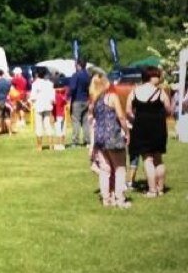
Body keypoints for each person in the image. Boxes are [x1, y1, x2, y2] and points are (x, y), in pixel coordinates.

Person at [127, 67, 172, 197]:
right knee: (158, 158)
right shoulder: (161, 92)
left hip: (141, 127)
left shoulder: (134, 91)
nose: (159, 78)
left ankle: (152, 190)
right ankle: (160, 188)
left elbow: (128, 110)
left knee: (147, 159)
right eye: (157, 76)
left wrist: (137, 118)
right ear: (150, 77)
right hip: (158, 127)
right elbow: (169, 110)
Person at [89, 75, 131, 208]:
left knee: (105, 169)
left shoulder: (94, 102)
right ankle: (120, 199)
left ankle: (106, 199)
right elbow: (121, 116)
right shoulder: (112, 97)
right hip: (113, 136)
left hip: (100, 138)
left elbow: (93, 121)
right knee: (120, 168)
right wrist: (127, 131)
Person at [66, 61, 91, 147]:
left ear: (79, 65)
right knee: (86, 121)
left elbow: (72, 88)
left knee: (76, 120)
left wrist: (67, 96)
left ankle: (75, 141)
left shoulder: (76, 75)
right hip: (86, 100)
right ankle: (87, 141)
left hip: (77, 100)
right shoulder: (88, 76)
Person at [30, 68, 55, 150]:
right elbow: (52, 97)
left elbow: (33, 97)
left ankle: (39, 146)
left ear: (37, 74)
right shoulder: (50, 84)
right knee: (48, 125)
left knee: (39, 126)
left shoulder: (35, 84)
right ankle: (51, 145)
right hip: (48, 106)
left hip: (38, 106)